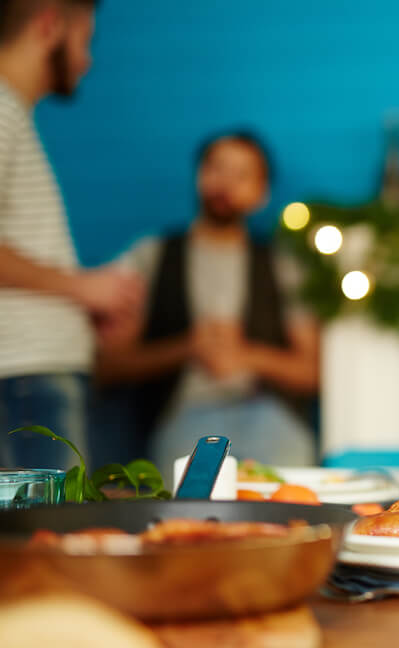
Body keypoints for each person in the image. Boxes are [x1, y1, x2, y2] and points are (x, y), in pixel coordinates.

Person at [97, 131, 318, 479]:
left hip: (270, 415)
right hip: (184, 416)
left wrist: (246, 354)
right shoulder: (151, 257)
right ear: (199, 175)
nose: (224, 183)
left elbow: (311, 372)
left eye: (241, 174)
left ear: (262, 193)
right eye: (216, 168)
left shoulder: (283, 264)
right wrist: (189, 347)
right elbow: (108, 367)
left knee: (290, 504)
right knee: (191, 510)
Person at [0, 0, 142, 469]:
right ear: (49, 25)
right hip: (23, 381)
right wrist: (82, 287)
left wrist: (82, 302)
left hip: (31, 380)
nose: (89, 59)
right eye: (85, 39)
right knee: (41, 541)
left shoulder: (14, 115)